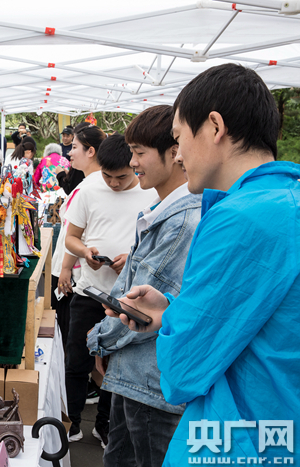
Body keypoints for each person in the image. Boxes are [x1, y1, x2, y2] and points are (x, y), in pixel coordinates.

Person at [108, 64, 300, 466]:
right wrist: (172, 312)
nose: (178, 155)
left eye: (178, 139)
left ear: (215, 127)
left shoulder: (241, 217)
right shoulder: (285, 200)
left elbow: (181, 369)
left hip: (239, 441)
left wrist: (177, 327)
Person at [87, 105, 200, 466]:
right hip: (137, 375)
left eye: (139, 153)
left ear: (174, 153)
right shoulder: (165, 210)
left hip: (151, 382)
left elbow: (140, 308)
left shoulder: (181, 221)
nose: (133, 163)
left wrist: (99, 340)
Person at [63, 131, 156, 446]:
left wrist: (131, 259)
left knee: (115, 369)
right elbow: (71, 238)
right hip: (89, 293)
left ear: (133, 165)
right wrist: (85, 251)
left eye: (121, 177)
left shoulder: (151, 193)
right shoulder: (89, 190)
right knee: (77, 362)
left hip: (127, 301)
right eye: (107, 176)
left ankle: (104, 426)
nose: (114, 183)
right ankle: (71, 421)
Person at [53, 127, 105, 362]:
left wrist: (65, 267)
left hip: (74, 274)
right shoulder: (88, 184)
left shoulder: (91, 186)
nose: (70, 153)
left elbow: (77, 234)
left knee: (72, 341)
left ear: (91, 151)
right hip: (72, 270)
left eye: (74, 147)